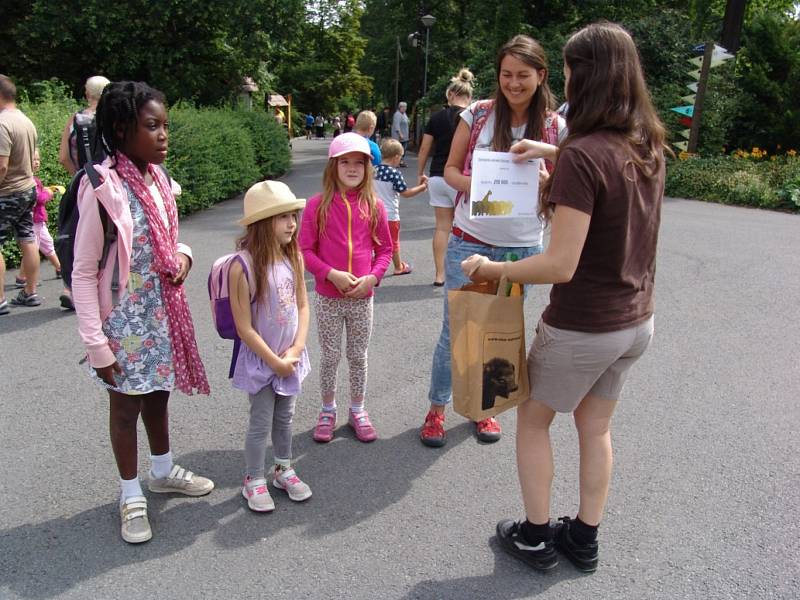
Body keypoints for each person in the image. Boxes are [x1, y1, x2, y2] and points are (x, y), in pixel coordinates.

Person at [462, 22, 667, 573]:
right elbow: (602, 165)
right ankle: (584, 538)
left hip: (583, 325)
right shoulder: (647, 144)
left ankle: (533, 537)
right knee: (596, 427)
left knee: (532, 421)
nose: (568, 79)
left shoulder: (581, 155)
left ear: (588, 76)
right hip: (635, 323)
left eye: (572, 68)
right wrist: (552, 147)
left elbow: (560, 264)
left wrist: (491, 265)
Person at [71, 81, 213, 544]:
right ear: (121, 128)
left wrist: (185, 258)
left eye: (165, 125)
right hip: (125, 322)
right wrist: (97, 345)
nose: (163, 135)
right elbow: (83, 271)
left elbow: (171, 241)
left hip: (161, 314)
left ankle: (161, 469)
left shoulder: (160, 180)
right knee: (125, 406)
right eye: (152, 126)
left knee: (158, 394)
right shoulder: (102, 189)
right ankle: (130, 493)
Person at [419, 35, 565, 448]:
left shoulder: (555, 126)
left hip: (522, 251)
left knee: (499, 331)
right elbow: (448, 171)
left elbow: (567, 189)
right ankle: (436, 408)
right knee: (456, 331)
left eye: (523, 75)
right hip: (471, 241)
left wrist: (547, 183)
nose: (513, 83)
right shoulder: (478, 116)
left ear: (541, 75)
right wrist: (481, 188)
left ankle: (485, 409)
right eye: (506, 75)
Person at [298, 132, 392, 444]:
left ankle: (358, 409)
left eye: (359, 163)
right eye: (345, 162)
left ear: (367, 168)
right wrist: (330, 274)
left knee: (357, 355)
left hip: (362, 298)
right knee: (330, 355)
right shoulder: (316, 206)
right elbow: (305, 251)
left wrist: (373, 278)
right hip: (328, 298)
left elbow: (386, 252)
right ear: (333, 167)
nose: (352, 168)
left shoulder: (376, 206)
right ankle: (327, 410)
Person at [229, 180, 312, 512]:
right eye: (282, 217)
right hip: (262, 360)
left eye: (293, 215)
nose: (292, 223)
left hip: (289, 356)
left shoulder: (294, 258)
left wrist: (295, 349)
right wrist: (274, 361)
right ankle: (252, 478)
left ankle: (283, 468)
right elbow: (244, 327)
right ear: (262, 223)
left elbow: (303, 307)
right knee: (261, 420)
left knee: (286, 418)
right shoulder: (243, 265)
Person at [417, 68, 475, 286]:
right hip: (462, 179)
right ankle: (465, 274)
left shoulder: (436, 117)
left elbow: (424, 149)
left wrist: (420, 173)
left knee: (442, 227)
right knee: (467, 228)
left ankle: (439, 274)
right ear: (469, 97)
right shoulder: (471, 118)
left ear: (449, 95)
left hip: (438, 178)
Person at [0, 74, 41, 314]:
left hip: (7, 192)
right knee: (27, 238)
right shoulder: (25, 120)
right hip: (28, 189)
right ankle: (30, 292)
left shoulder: (2, 123)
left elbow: (2, 165)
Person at [16, 151, 66, 296]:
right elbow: (38, 198)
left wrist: (46, 189)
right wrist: (48, 194)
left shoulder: (35, 179)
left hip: (39, 221)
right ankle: (22, 277)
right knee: (33, 248)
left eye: (38, 159)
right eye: (33, 159)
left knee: (47, 244)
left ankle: (59, 268)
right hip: (33, 221)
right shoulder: (28, 181)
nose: (37, 162)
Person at [375, 138, 427, 276]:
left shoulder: (372, 170)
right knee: (393, 242)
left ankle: (370, 266)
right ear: (396, 157)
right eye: (401, 158)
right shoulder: (394, 174)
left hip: (373, 213)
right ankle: (398, 266)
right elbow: (406, 193)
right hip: (390, 214)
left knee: (374, 240)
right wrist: (422, 187)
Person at [58, 75, 111, 176]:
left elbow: (63, 158)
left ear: (87, 94)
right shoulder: (117, 117)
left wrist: (80, 178)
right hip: (114, 182)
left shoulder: (75, 119)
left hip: (85, 181)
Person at [391, 102, 410, 167]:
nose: (405, 108)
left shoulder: (404, 114)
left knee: (403, 149)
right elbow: (397, 125)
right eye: (403, 107)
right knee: (398, 149)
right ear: (400, 107)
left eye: (405, 107)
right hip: (398, 136)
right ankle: (397, 162)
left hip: (405, 135)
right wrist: (400, 134)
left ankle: (400, 161)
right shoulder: (397, 114)